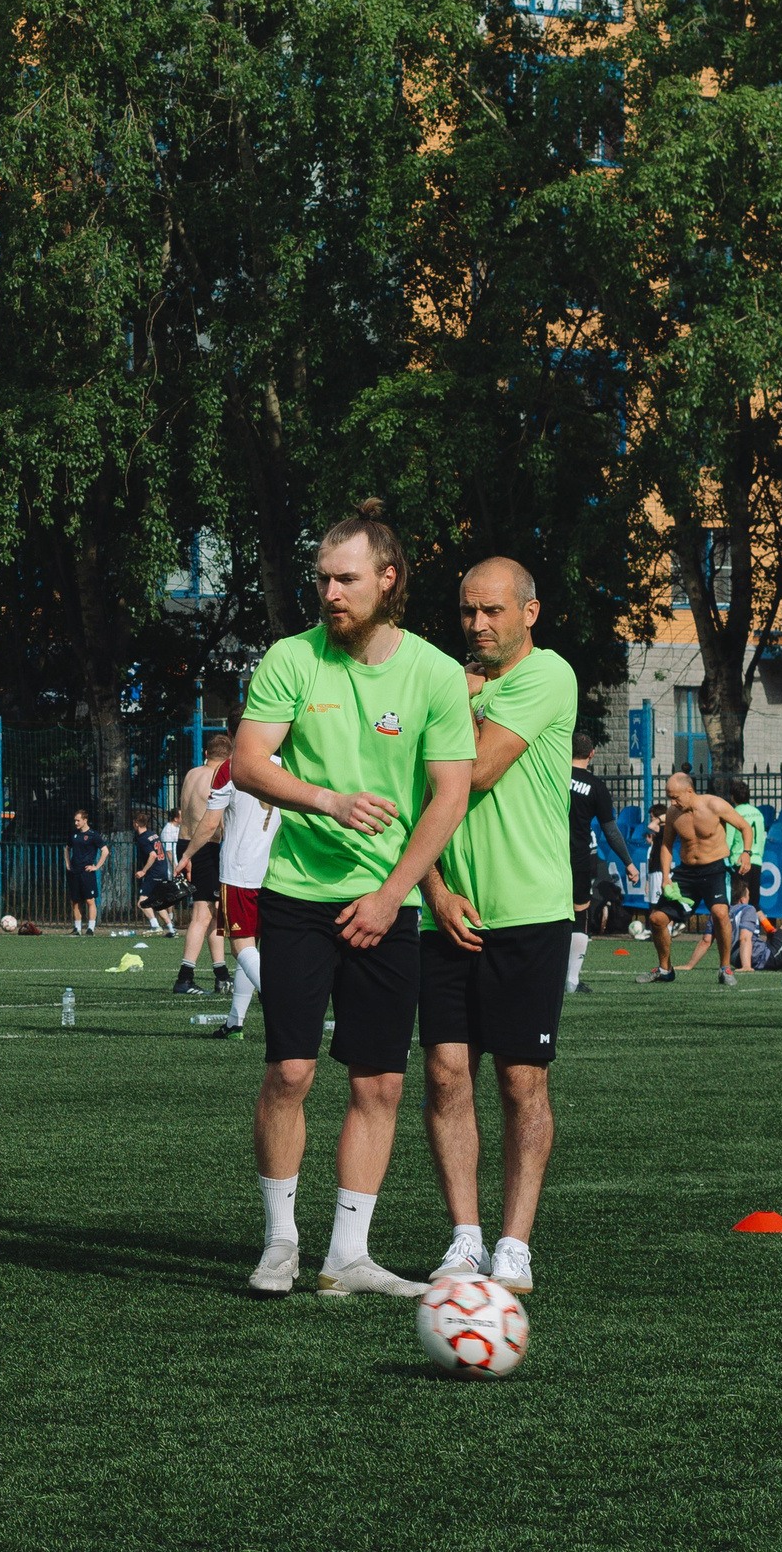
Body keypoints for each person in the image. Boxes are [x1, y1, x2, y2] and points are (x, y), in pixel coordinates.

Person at [230, 501, 474, 1299]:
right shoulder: (293, 659)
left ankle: (347, 1257)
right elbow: (249, 762)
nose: (330, 593)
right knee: (292, 1072)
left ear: (388, 578)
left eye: (346, 579)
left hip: (386, 906)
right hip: (298, 897)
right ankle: (278, 1241)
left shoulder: (436, 672)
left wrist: (395, 893)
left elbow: (449, 796)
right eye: (322, 579)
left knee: (379, 1083)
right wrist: (328, 801)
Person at [418, 558, 579, 1296]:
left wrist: (462, 702)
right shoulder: (453, 687)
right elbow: (405, 790)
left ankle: (515, 1244)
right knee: (446, 1073)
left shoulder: (548, 676)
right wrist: (437, 891)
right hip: (445, 911)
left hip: (528, 913)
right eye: (467, 613)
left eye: (493, 611)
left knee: (521, 1083)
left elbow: (474, 771)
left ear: (530, 612)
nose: (478, 626)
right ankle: (464, 1239)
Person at [206, 713, 282, 1038]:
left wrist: (186, 854)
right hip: (275, 872)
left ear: (228, 730)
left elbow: (211, 823)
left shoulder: (231, 766)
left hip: (239, 873)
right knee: (253, 948)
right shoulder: (284, 764)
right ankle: (234, 1022)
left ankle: (280, 1000)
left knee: (241, 947)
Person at [645, 772, 755, 984]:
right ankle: (665, 969)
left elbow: (744, 827)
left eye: (675, 797)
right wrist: (666, 877)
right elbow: (667, 845)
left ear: (689, 791)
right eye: (669, 798)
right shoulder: (674, 814)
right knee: (656, 919)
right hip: (686, 873)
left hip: (714, 870)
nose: (673, 802)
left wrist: (746, 853)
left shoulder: (714, 805)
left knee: (720, 913)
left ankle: (725, 969)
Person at [567, 732, 635, 992]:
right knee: (579, 914)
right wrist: (628, 862)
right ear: (592, 753)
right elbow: (611, 830)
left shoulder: (551, 777)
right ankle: (572, 980)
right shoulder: (595, 786)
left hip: (548, 856)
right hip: (580, 859)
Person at [173, 732, 234, 994]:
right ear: (229, 758)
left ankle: (221, 974)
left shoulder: (191, 774)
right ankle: (185, 977)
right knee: (202, 914)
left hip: (184, 842)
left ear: (206, 753)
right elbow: (215, 819)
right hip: (205, 846)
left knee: (213, 912)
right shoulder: (219, 778)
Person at [133, 813, 182, 935]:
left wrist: (143, 871)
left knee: (142, 902)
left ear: (136, 824)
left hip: (153, 873)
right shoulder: (153, 834)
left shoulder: (142, 839)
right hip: (163, 870)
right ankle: (171, 929)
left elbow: (153, 855)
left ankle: (155, 926)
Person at [63, 809, 105, 936]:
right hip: (74, 871)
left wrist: (96, 867)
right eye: (75, 820)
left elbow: (105, 851)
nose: (76, 823)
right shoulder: (74, 834)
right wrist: (68, 864)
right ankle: (77, 928)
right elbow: (67, 849)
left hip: (86, 872)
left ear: (85, 820)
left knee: (89, 900)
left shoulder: (93, 835)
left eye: (78, 820)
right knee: (75, 901)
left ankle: (91, 928)